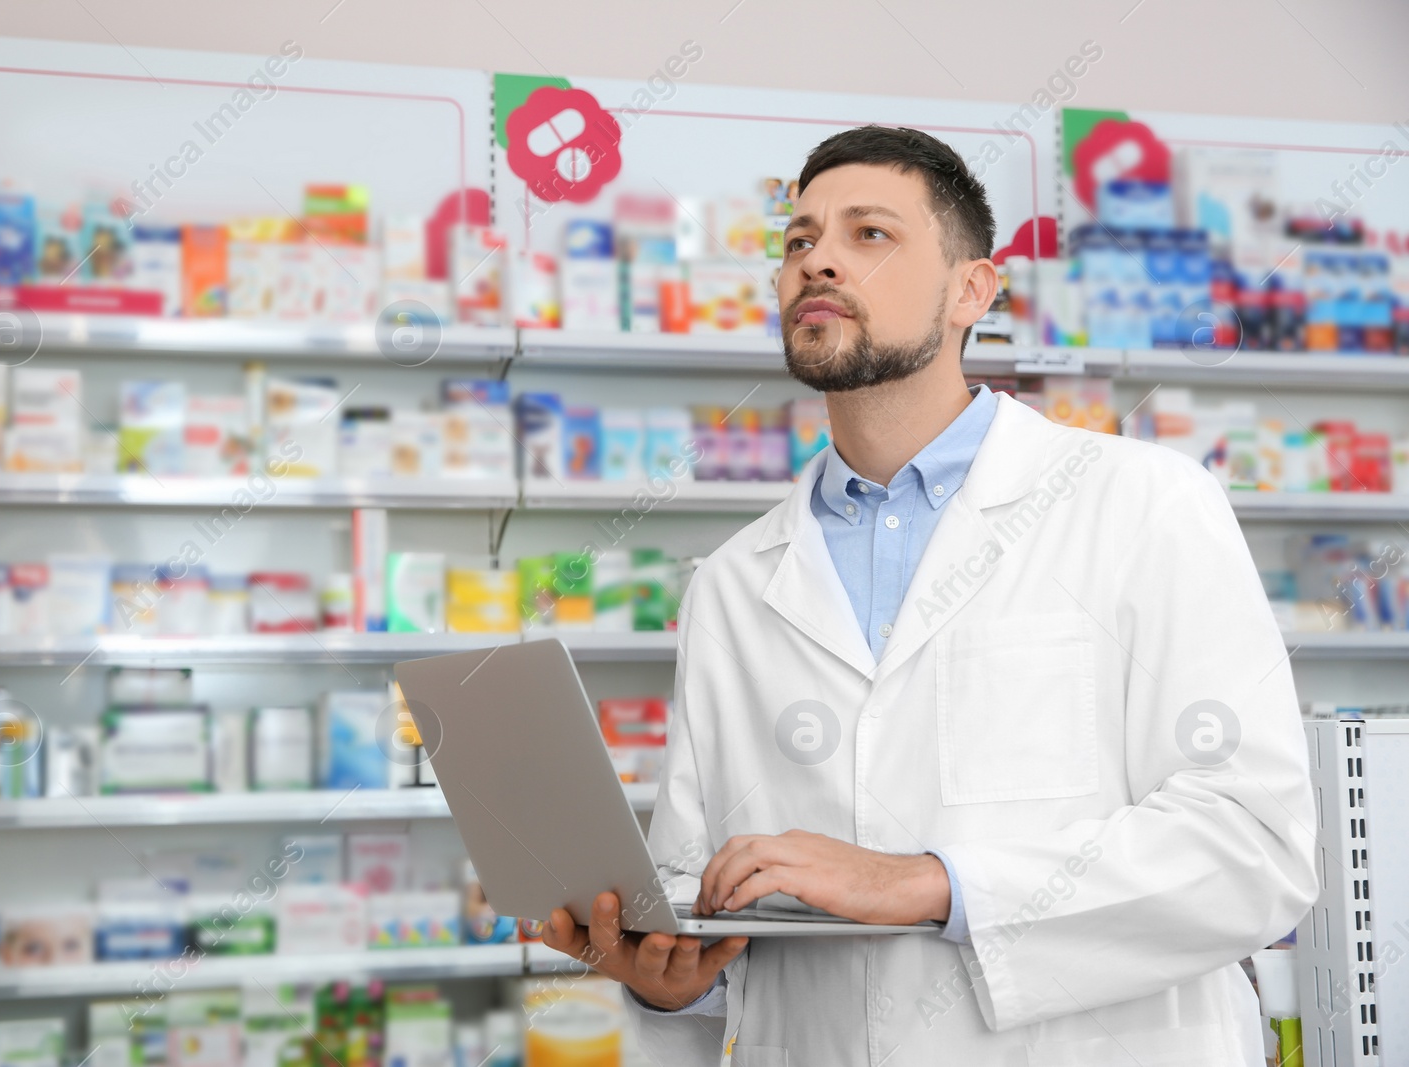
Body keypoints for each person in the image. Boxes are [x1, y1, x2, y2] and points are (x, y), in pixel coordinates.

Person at [540, 125, 1318, 1065]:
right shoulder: (735, 584)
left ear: (971, 291)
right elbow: (701, 896)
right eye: (798, 241)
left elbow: (1252, 845)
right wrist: (673, 983)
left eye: (870, 234)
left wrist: (932, 882)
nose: (817, 259)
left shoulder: (1143, 504)